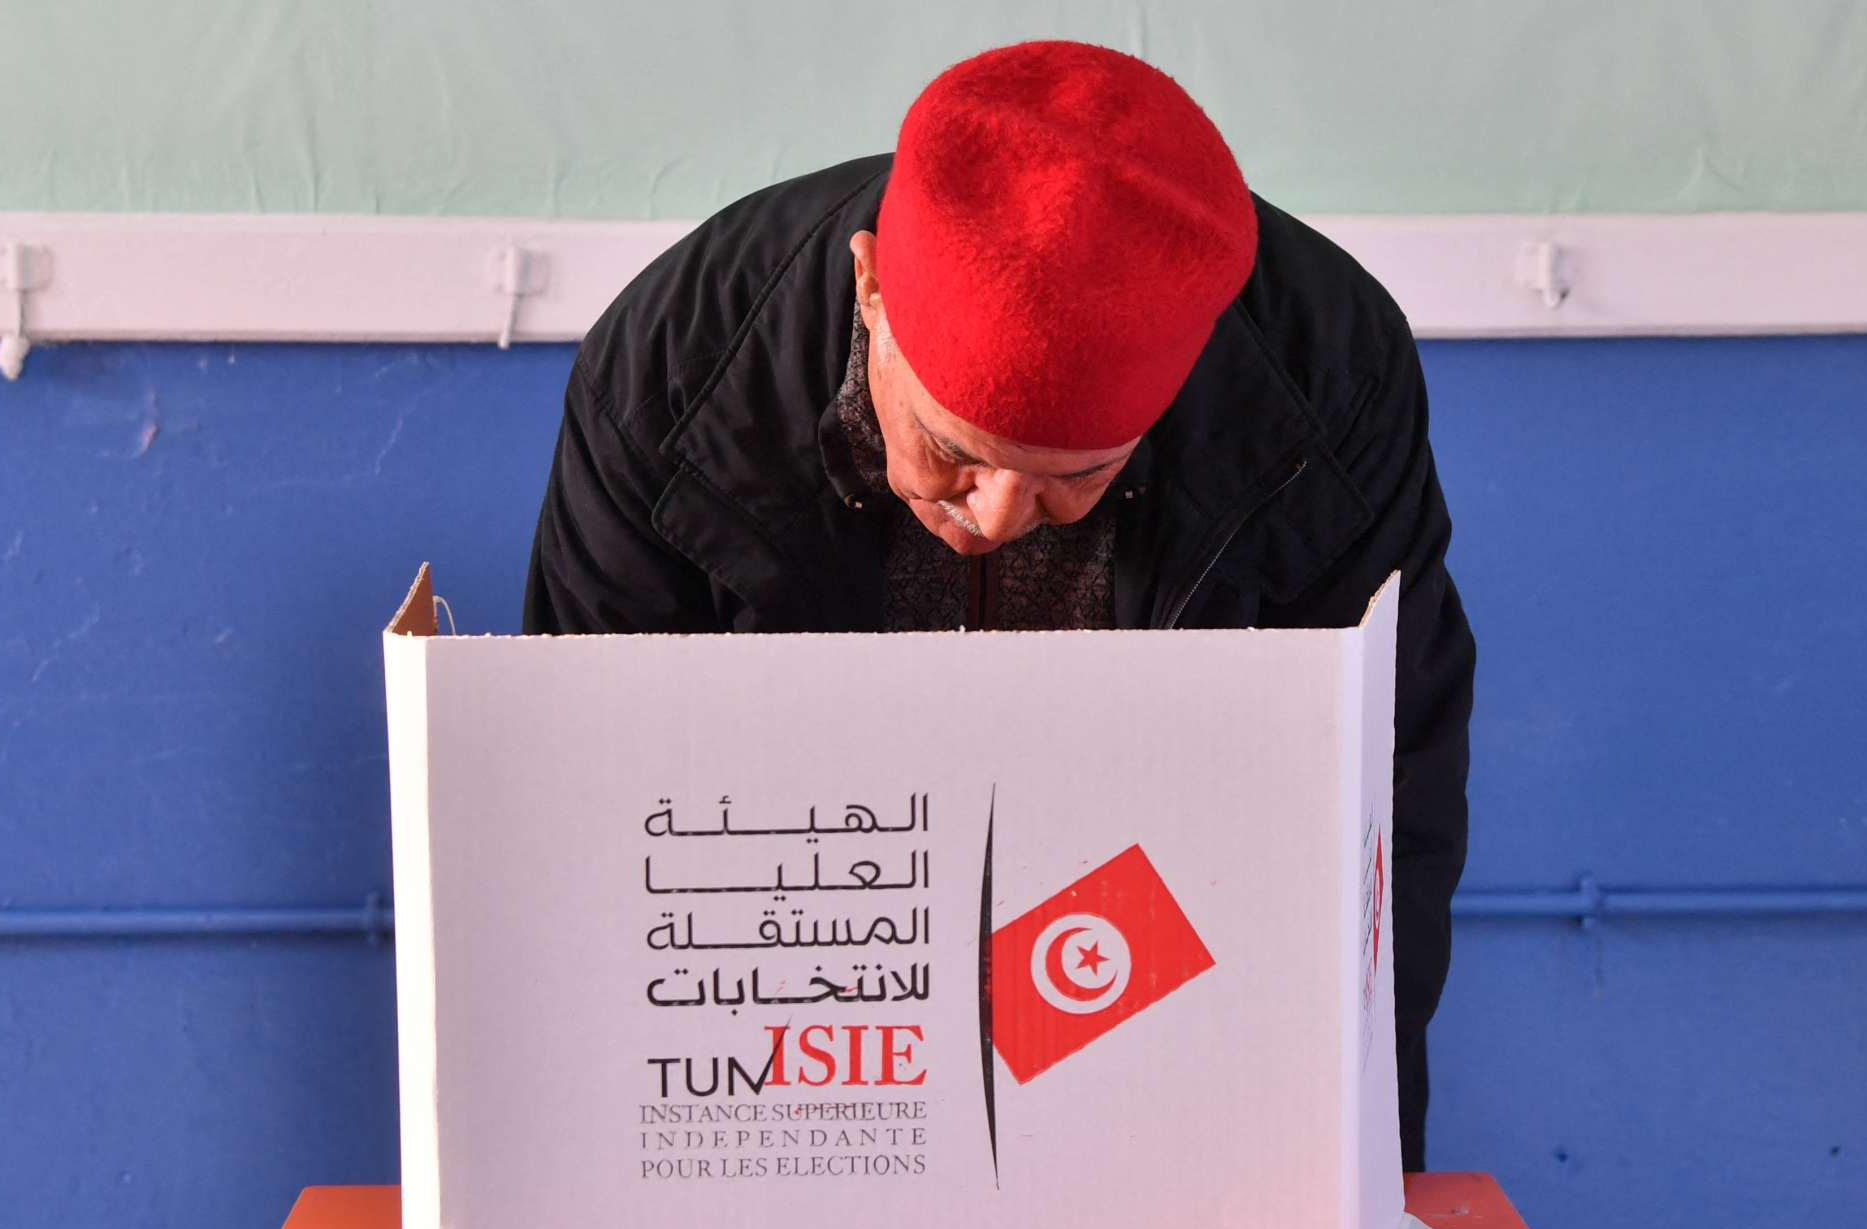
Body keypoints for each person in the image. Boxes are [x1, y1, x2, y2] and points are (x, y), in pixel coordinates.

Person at [524, 40, 1473, 1168]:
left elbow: (1376, 812)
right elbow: (583, 813)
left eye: (1080, 473)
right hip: (780, 990)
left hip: (1151, 954)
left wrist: (1348, 1171)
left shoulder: (1325, 384)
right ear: (868, 289)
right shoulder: (674, 370)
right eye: (950, 450)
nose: (998, 513)